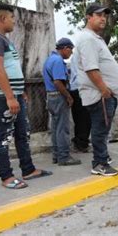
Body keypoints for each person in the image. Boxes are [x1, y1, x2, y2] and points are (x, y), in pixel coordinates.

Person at [0, 3, 51, 189]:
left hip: (13, 94)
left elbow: (11, 69)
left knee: (22, 132)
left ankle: (28, 169)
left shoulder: (3, 39)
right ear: (3, 18)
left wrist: (20, 92)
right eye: (12, 18)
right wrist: (10, 97)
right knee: (3, 136)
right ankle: (6, 177)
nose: (14, 21)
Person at [75, 3, 118, 176]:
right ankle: (99, 163)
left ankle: (103, 157)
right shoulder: (87, 39)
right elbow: (91, 68)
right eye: (99, 15)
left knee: (102, 128)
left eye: (105, 15)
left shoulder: (95, 38)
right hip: (100, 94)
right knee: (100, 128)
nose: (103, 18)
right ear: (89, 17)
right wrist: (104, 90)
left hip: (105, 93)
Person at [42, 38, 81, 166]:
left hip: (51, 96)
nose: (71, 53)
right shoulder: (58, 61)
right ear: (65, 48)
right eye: (71, 50)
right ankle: (64, 157)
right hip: (59, 96)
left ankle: (56, 155)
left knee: (55, 127)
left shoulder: (50, 59)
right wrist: (68, 96)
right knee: (63, 128)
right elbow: (58, 82)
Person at [68, 53, 91, 153]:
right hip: (81, 89)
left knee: (79, 118)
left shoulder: (75, 57)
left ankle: (80, 142)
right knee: (85, 119)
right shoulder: (82, 55)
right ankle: (82, 143)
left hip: (75, 88)